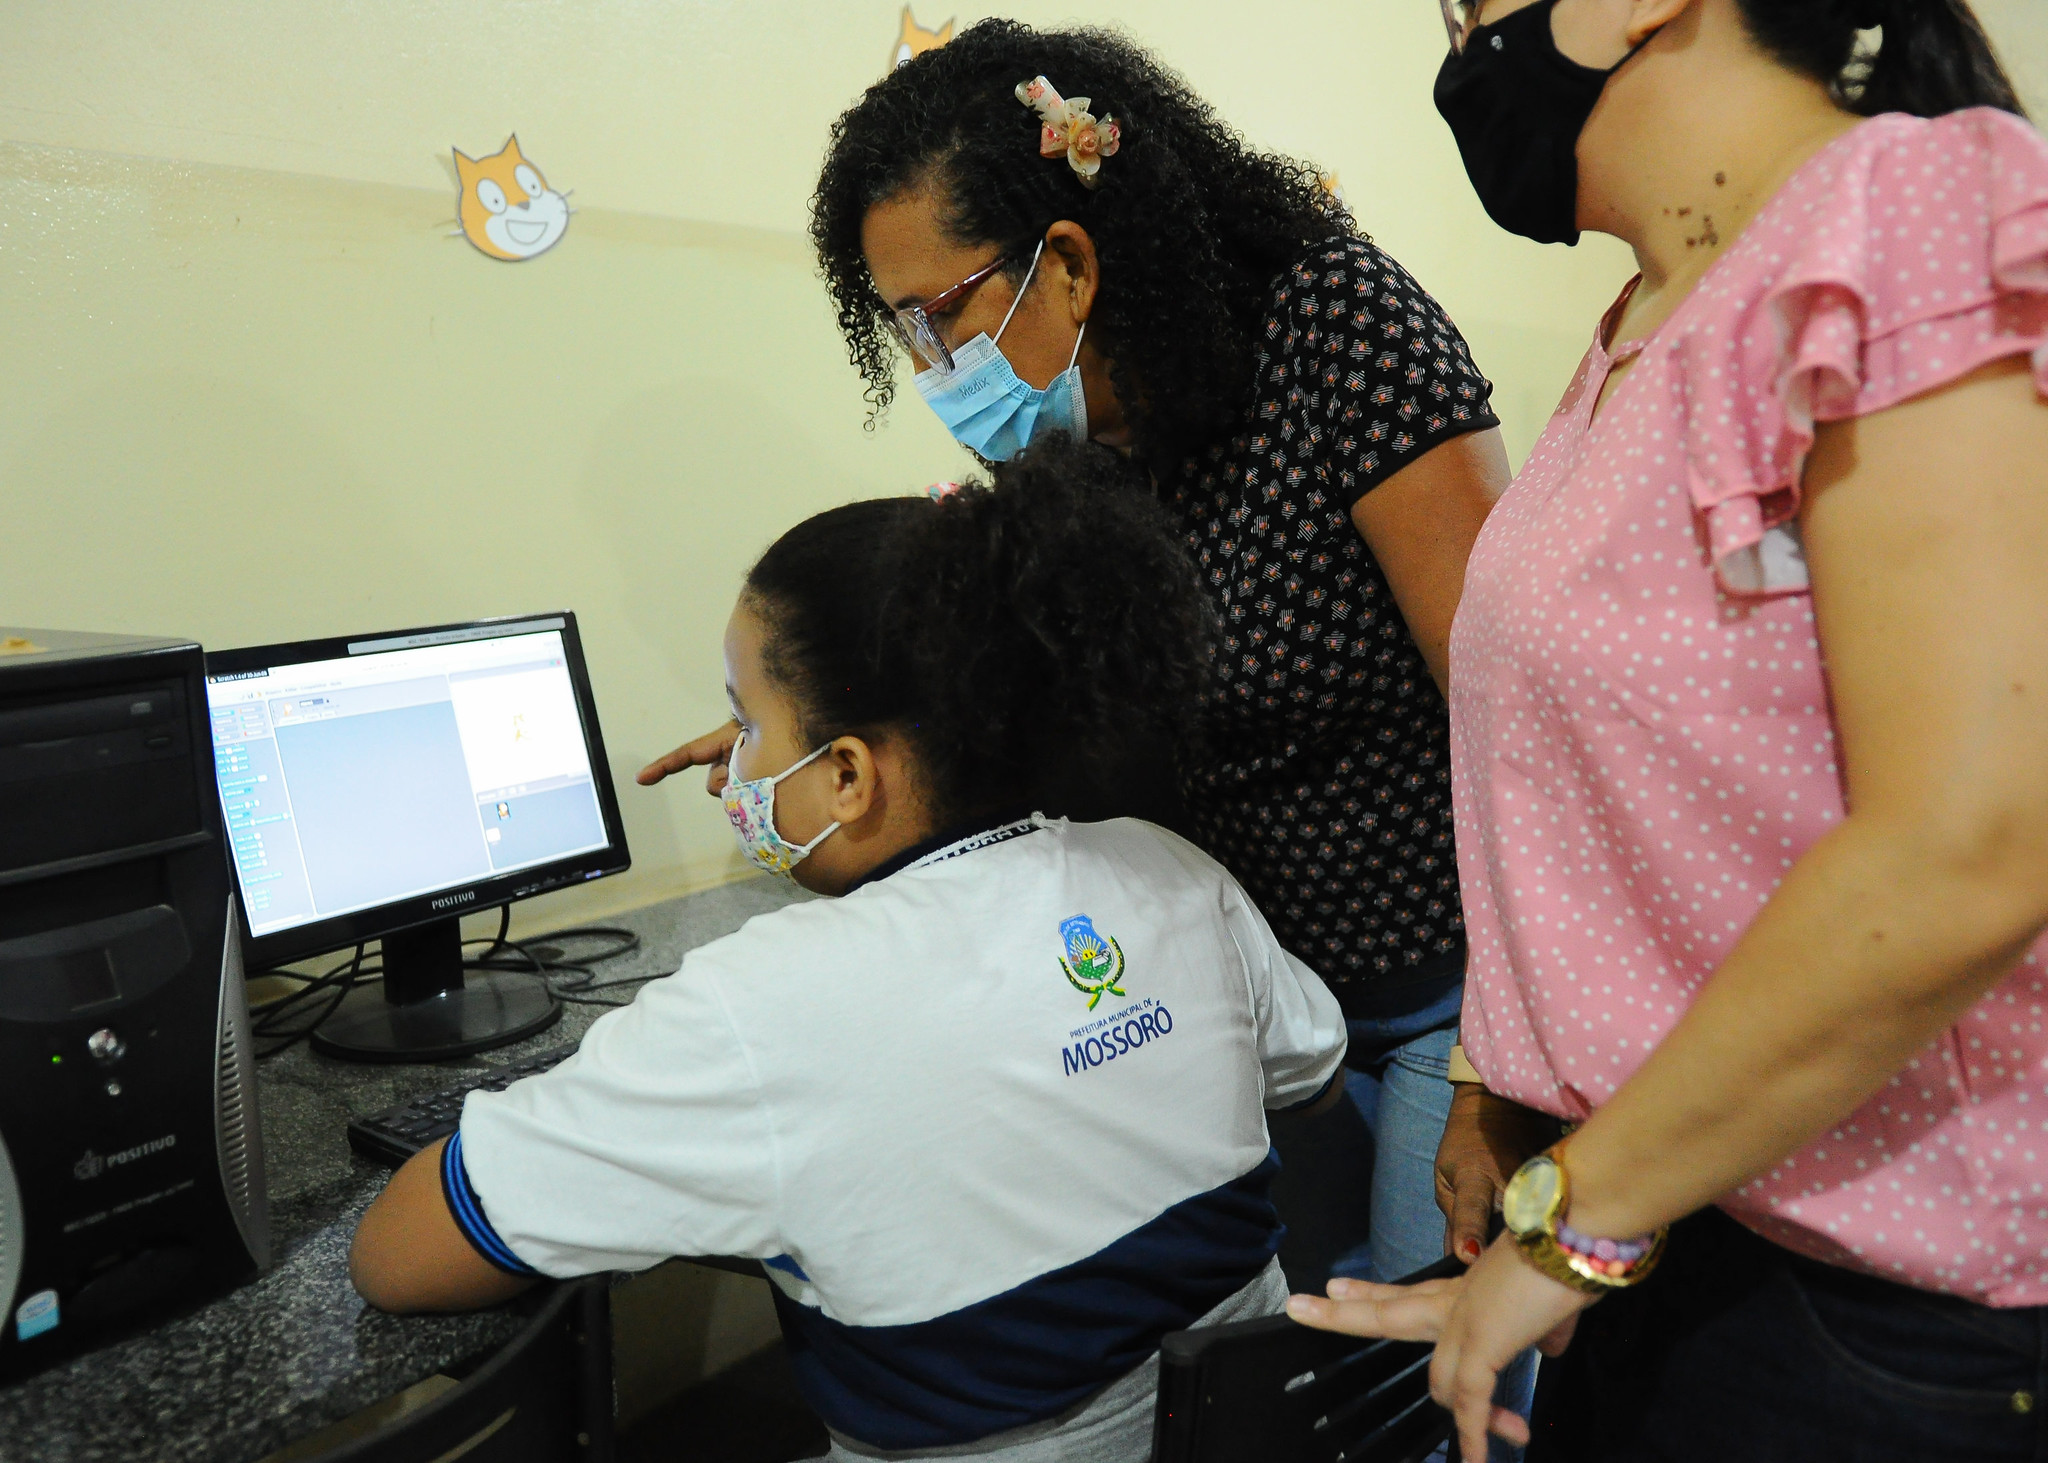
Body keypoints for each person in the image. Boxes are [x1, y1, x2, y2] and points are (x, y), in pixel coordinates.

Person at [640, 19, 1514, 1296]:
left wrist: (1505, 1060)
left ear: (1066, 260)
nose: (933, 370)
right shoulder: (1063, 450)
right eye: (903, 333)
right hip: (1256, 1000)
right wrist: (809, 731)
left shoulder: (1335, 330)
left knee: (1426, 1358)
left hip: (1451, 991)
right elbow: (1007, 686)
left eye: (940, 317)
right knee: (1304, 1328)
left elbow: (1510, 715)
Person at [1288, 2, 2048, 1460]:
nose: (1459, 53)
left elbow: (1969, 843)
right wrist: (1509, 1095)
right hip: (1676, 1207)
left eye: (1469, 7)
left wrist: (1577, 1215)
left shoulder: (1905, 208)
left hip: (1885, 1291)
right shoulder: (1645, 322)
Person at [349, 440, 1350, 1463]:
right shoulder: (1170, 870)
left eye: (746, 724)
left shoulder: (759, 1007)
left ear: (846, 776)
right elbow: (1309, 1078)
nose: (732, 764)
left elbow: (401, 1256)